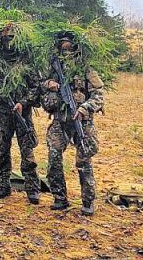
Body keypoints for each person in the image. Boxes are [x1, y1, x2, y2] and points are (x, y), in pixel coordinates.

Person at [0, 11, 41, 204]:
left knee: (27, 153)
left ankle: (32, 188)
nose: (8, 41)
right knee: (2, 150)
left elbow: (36, 87)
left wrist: (23, 103)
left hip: (23, 112)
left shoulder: (26, 61)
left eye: (11, 38)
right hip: (3, 112)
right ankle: (2, 185)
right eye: (5, 38)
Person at [42, 30, 104, 215]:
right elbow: (40, 85)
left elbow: (99, 94)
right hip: (60, 122)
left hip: (82, 122)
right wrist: (48, 84)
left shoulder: (86, 69)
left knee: (83, 160)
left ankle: (88, 201)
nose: (66, 49)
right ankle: (59, 198)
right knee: (54, 158)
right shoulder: (53, 67)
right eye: (63, 46)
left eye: (69, 46)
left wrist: (85, 107)